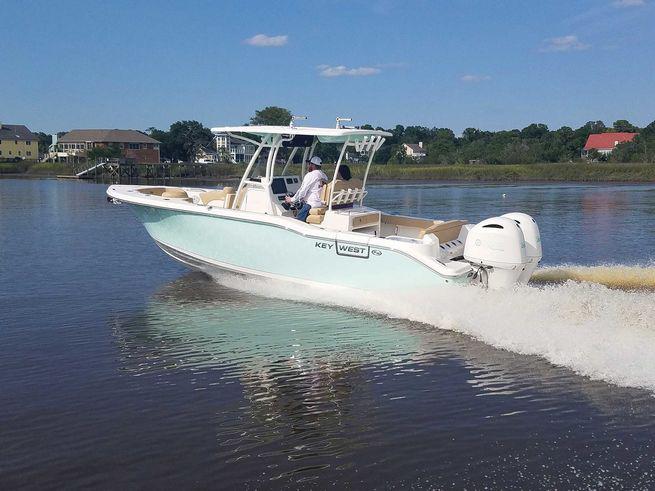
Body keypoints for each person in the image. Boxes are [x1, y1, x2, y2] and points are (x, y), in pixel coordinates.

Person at [285, 156, 328, 221]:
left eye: (309, 164)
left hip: (311, 204)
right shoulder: (324, 176)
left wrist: (291, 199)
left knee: (296, 222)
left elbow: (302, 191)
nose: (308, 165)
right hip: (321, 203)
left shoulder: (310, 175)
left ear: (313, 165)